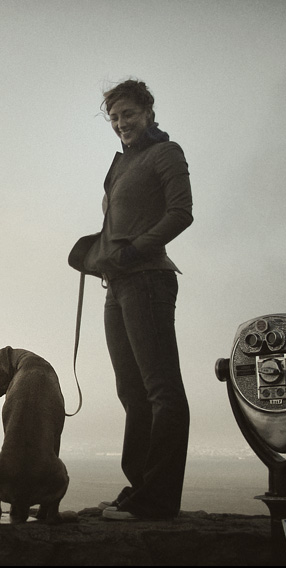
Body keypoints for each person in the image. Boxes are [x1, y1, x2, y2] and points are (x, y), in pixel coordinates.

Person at [91, 79, 193, 521]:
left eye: (127, 114)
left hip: (149, 279)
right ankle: (139, 491)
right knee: (131, 391)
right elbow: (119, 223)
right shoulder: (122, 163)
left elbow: (181, 213)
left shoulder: (166, 154)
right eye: (113, 118)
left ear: (148, 110)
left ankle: (159, 499)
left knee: (161, 389)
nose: (120, 124)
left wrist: (134, 251)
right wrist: (101, 257)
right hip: (118, 284)